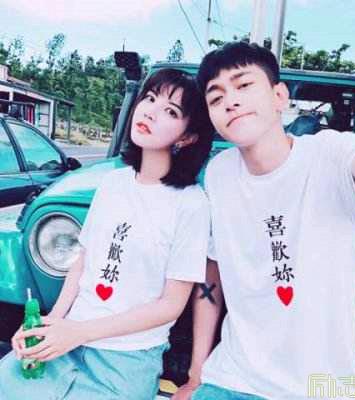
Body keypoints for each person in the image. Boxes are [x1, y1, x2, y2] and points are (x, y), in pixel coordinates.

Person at [172, 42, 355, 400]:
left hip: (320, 389)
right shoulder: (218, 173)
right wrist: (196, 373)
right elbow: (212, 272)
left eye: (244, 85)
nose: (230, 101)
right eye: (216, 97)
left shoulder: (330, 155)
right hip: (230, 379)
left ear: (279, 96)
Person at [0, 68, 214, 400]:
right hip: (67, 340)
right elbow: (82, 261)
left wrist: (79, 332)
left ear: (187, 137)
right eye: (149, 99)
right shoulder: (112, 183)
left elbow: (171, 305)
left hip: (126, 360)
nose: (150, 112)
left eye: (171, 112)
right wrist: (50, 323)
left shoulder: (191, 203)